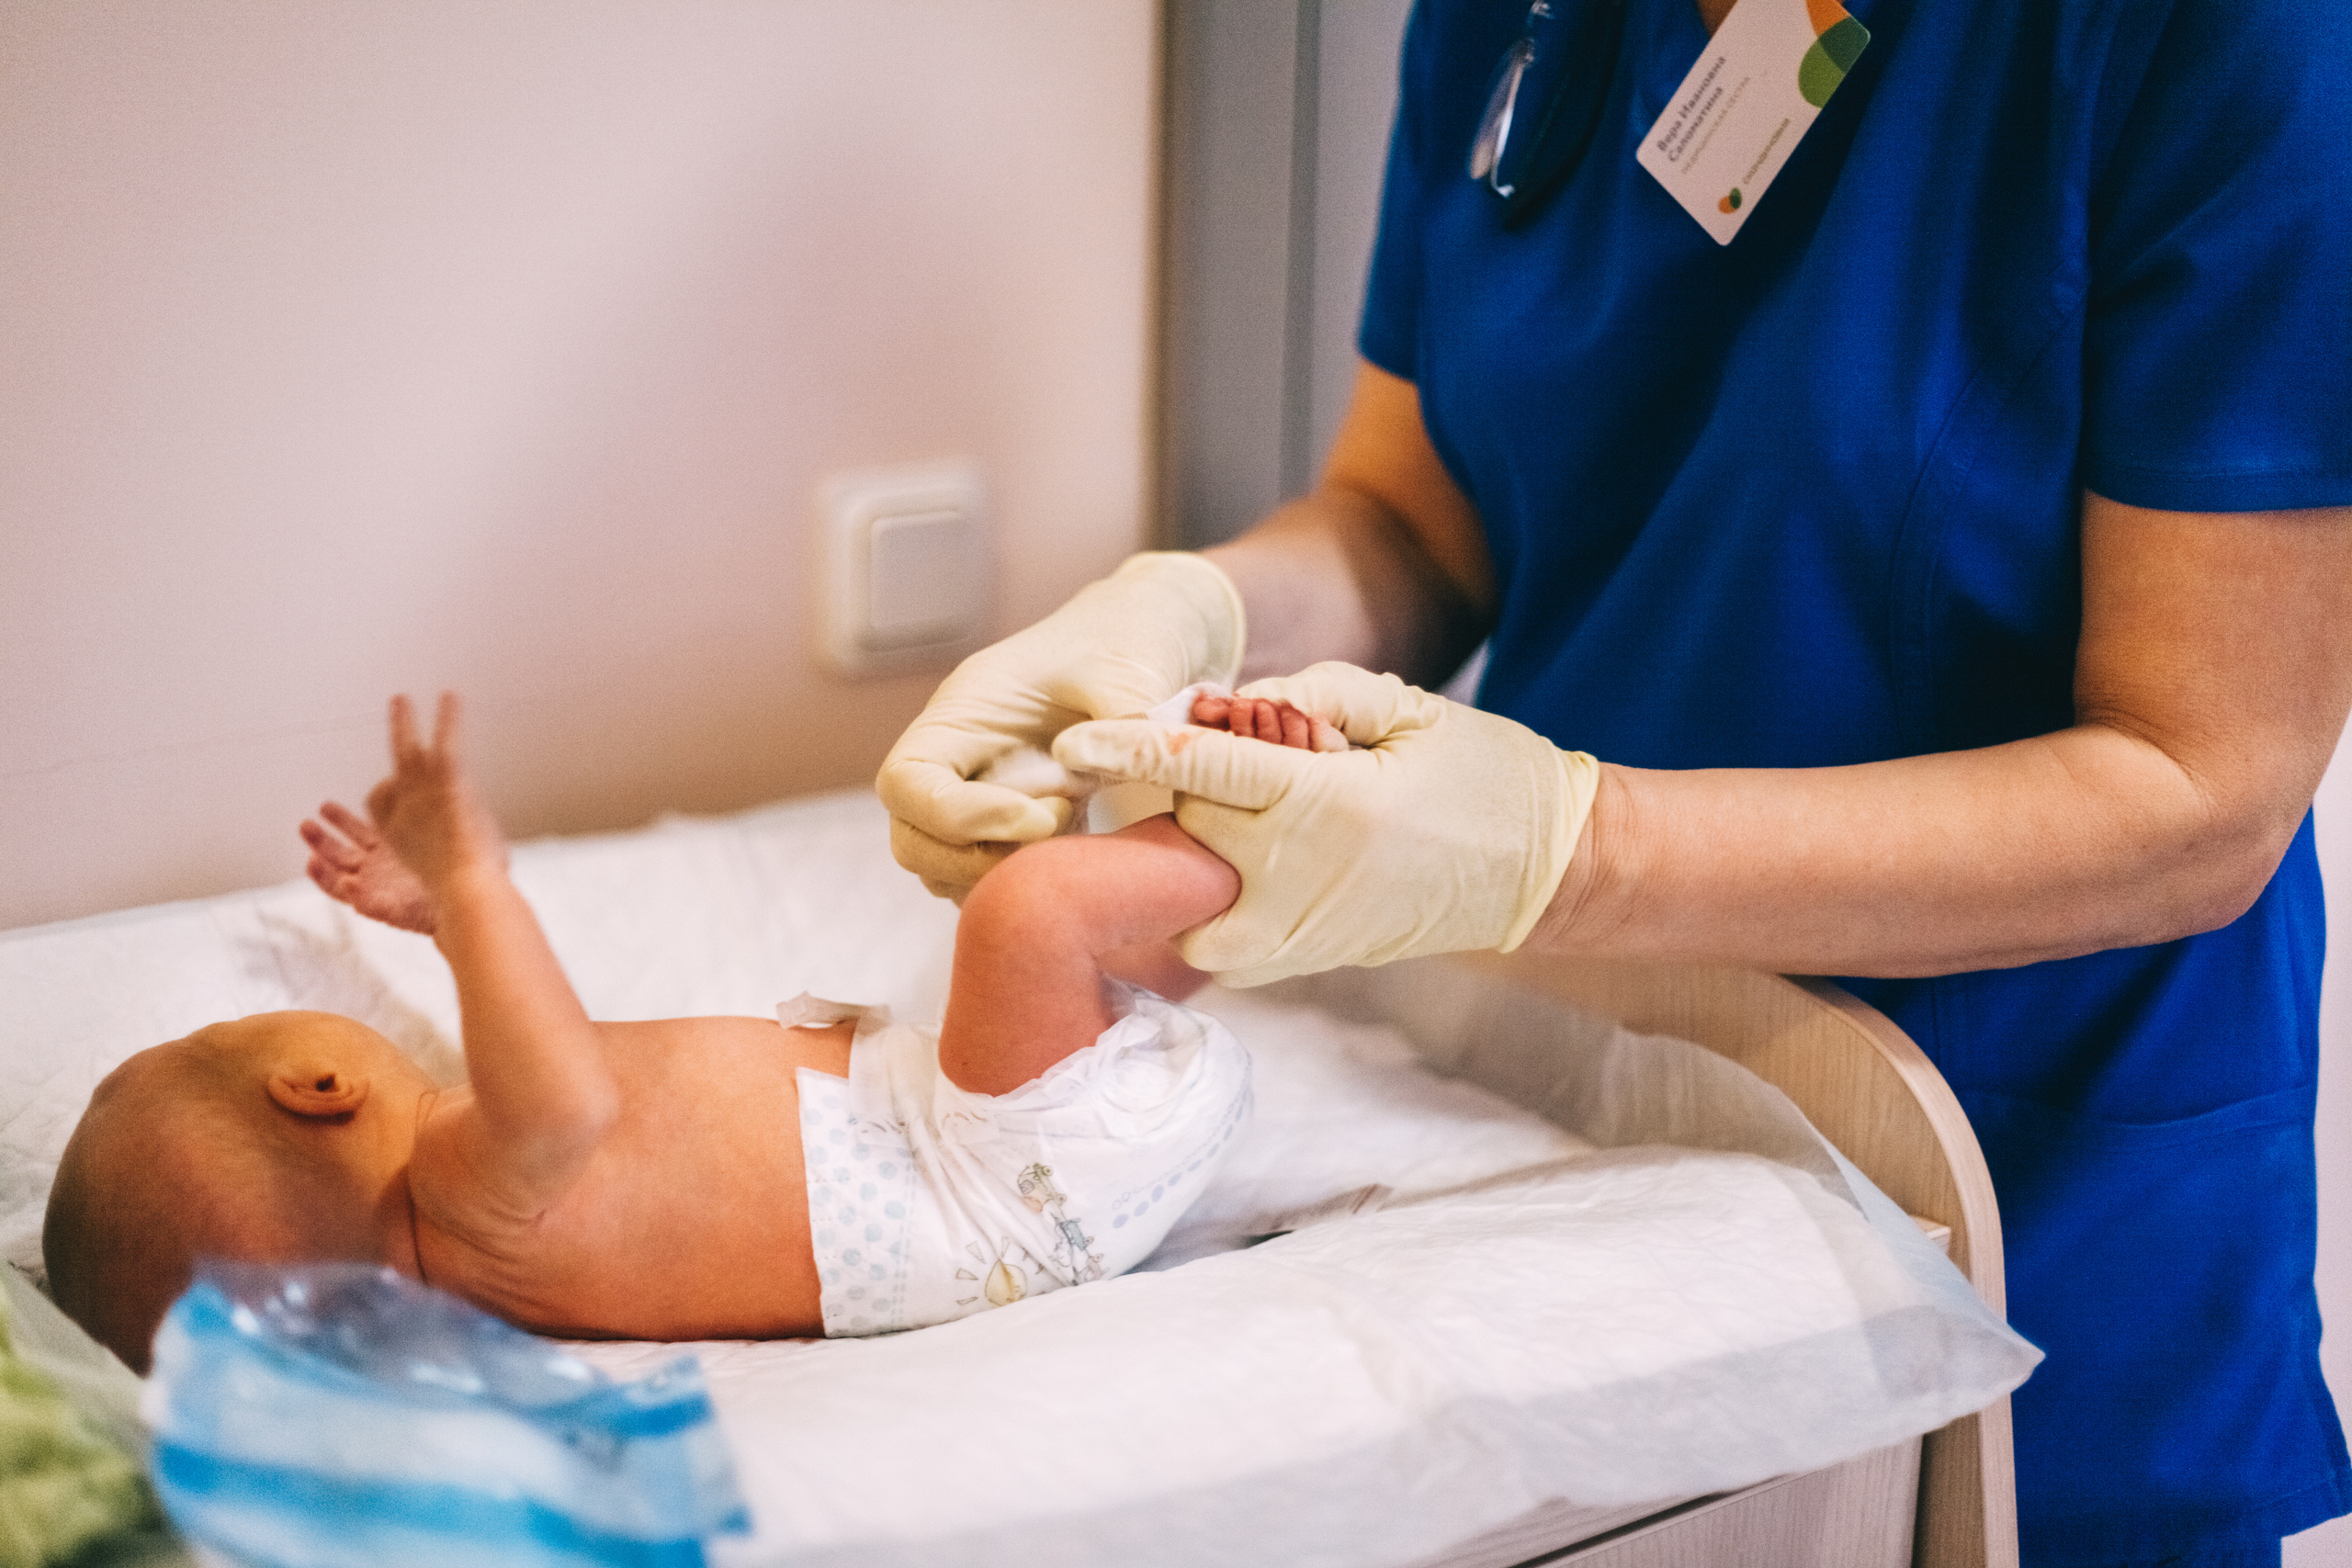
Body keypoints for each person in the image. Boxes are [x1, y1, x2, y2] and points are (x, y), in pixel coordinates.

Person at [876, 0, 2352, 1560]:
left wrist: (1576, 850)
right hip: (1576, 1120)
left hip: (2021, 1176)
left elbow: (2203, 792)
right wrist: (1194, 613)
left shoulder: (2225, 35)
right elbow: (1416, 514)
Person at [41, 692, 1332, 1371]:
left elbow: (532, 1042)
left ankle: (1219, 843)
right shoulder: (466, 1197)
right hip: (998, 1178)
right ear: (316, 1083)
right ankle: (1287, 824)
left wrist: (441, 917)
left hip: (999, 1157)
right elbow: (559, 1096)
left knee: (1066, 955)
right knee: (1023, 915)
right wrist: (474, 882)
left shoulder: (494, 1272)